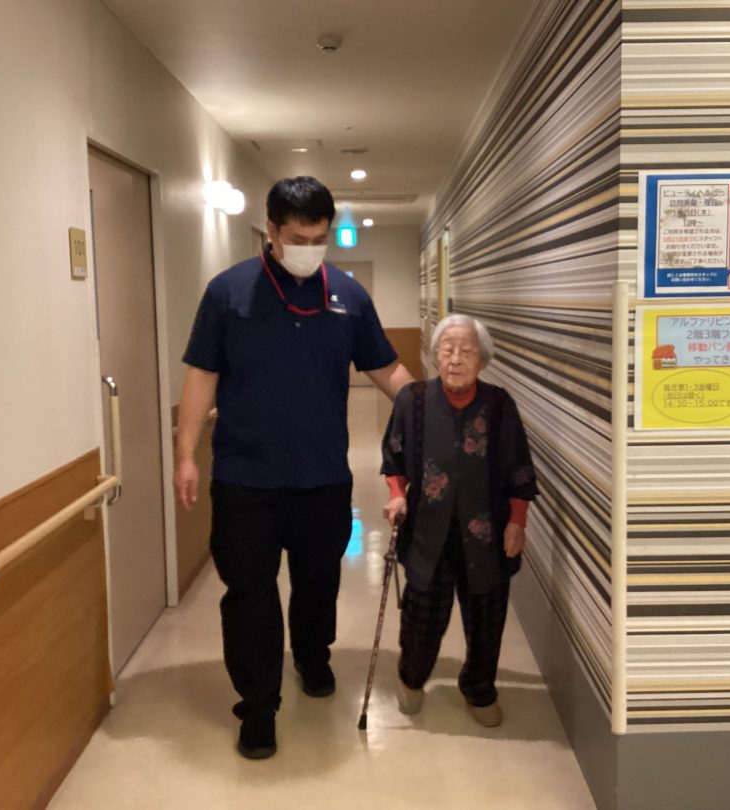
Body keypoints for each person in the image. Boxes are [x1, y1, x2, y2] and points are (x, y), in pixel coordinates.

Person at [174, 176, 413, 760]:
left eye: (318, 238)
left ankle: (312, 656)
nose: (309, 248)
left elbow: (387, 369)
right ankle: (258, 706)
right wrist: (185, 455)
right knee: (249, 593)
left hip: (322, 478)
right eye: (298, 238)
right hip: (244, 479)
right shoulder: (228, 292)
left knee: (318, 582)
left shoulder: (348, 297)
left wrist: (434, 412)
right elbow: (202, 375)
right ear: (272, 231)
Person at [381, 314, 537, 727]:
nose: (455, 359)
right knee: (421, 618)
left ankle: (479, 690)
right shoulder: (412, 401)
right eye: (447, 349)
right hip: (427, 533)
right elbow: (394, 458)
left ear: (482, 359)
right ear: (435, 355)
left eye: (466, 351)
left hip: (487, 535)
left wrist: (517, 521)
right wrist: (396, 496)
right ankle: (411, 678)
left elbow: (519, 468)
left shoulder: (499, 405)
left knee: (487, 619)